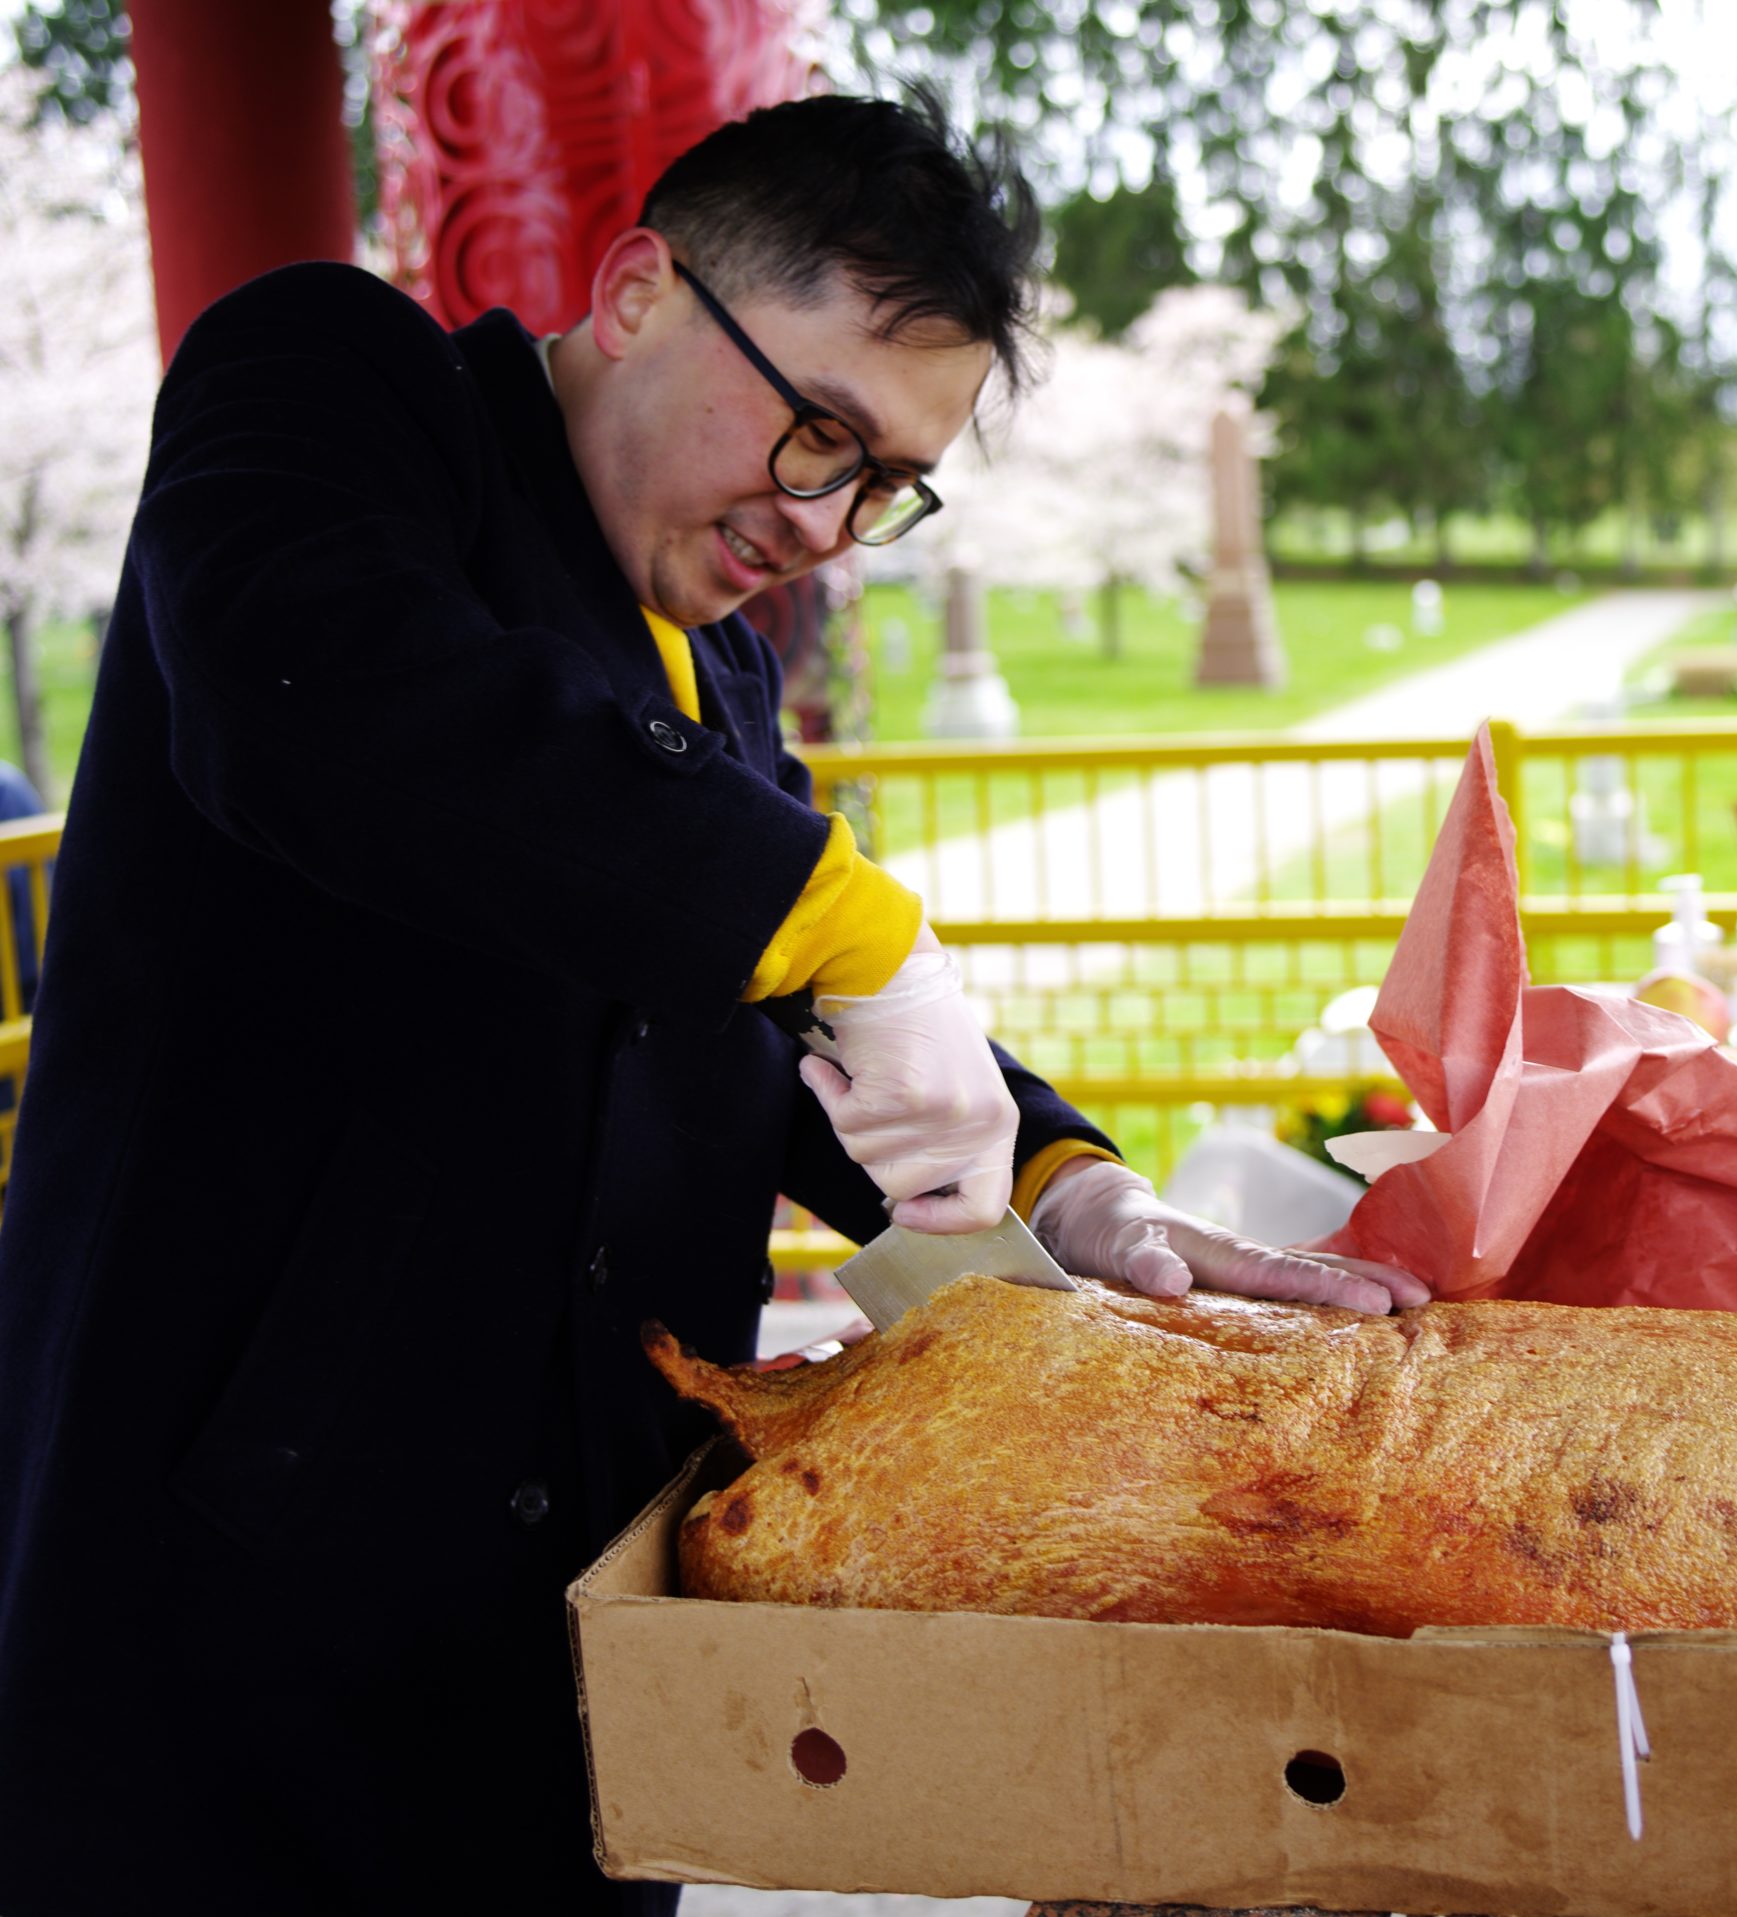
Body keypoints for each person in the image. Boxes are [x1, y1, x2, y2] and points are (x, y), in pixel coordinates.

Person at [0, 92, 1421, 1916]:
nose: (826, 519)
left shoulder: (721, 673)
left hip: (585, 1604)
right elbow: (328, 705)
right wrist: (843, 917)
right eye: (816, 427)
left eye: (884, 482)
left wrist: (1071, 1183)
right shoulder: (340, 385)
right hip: (234, 1581)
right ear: (639, 289)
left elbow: (778, 1028)